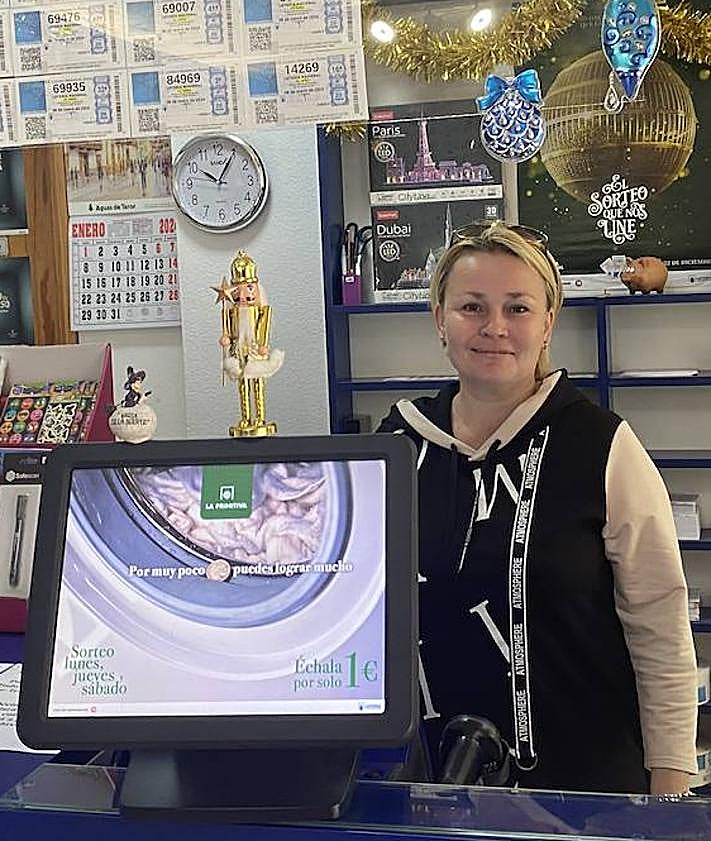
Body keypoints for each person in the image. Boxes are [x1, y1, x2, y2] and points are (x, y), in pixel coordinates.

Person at [377, 221, 697, 795]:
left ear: (547, 323)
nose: (494, 327)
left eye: (517, 308)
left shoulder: (602, 446)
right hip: (429, 790)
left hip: (587, 795)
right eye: (472, 307)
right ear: (439, 321)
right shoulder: (398, 444)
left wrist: (669, 787)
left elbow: (661, 626)